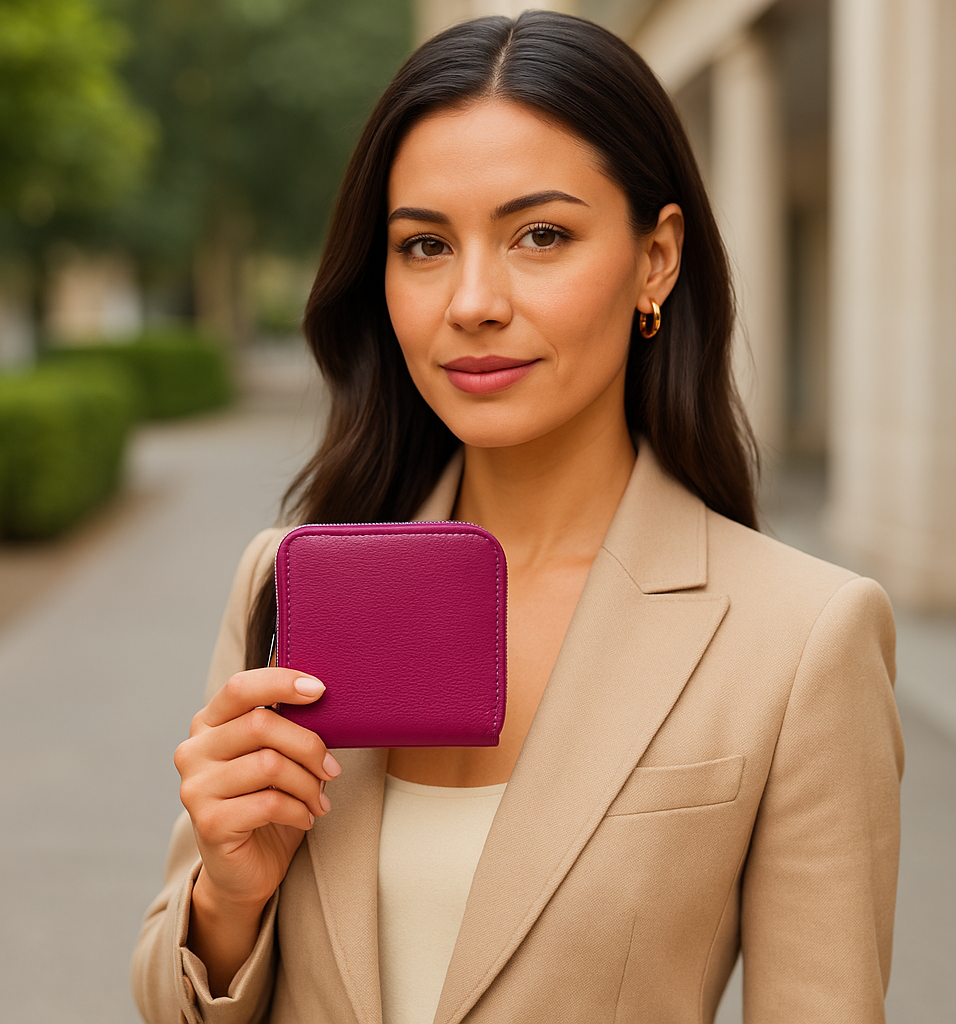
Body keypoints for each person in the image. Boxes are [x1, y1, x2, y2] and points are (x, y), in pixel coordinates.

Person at [132, 11, 903, 1024]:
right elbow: (179, 997)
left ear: (655, 259)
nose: (473, 300)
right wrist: (229, 896)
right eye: (422, 245)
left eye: (540, 234)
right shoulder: (291, 583)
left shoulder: (800, 637)